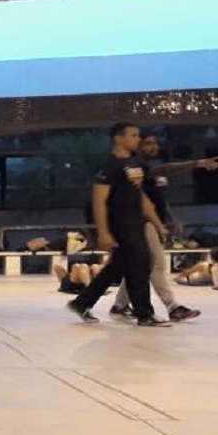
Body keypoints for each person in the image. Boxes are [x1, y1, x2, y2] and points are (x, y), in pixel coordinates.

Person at [66, 122, 171, 327]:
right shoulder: (109, 167)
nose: (137, 139)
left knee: (118, 266)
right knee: (140, 264)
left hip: (136, 222)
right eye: (133, 135)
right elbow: (99, 201)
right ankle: (144, 314)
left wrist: (158, 224)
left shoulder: (135, 165)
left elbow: (141, 198)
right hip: (120, 224)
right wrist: (104, 232)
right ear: (118, 138)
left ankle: (82, 302)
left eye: (138, 135)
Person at [106, 133, 218, 322]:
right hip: (141, 222)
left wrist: (172, 218)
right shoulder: (135, 167)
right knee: (157, 264)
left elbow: (160, 201)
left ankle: (120, 305)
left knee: (142, 265)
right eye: (148, 143)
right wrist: (196, 163)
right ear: (137, 146)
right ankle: (173, 307)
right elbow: (165, 170)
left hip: (152, 222)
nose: (154, 146)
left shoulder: (150, 169)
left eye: (155, 143)